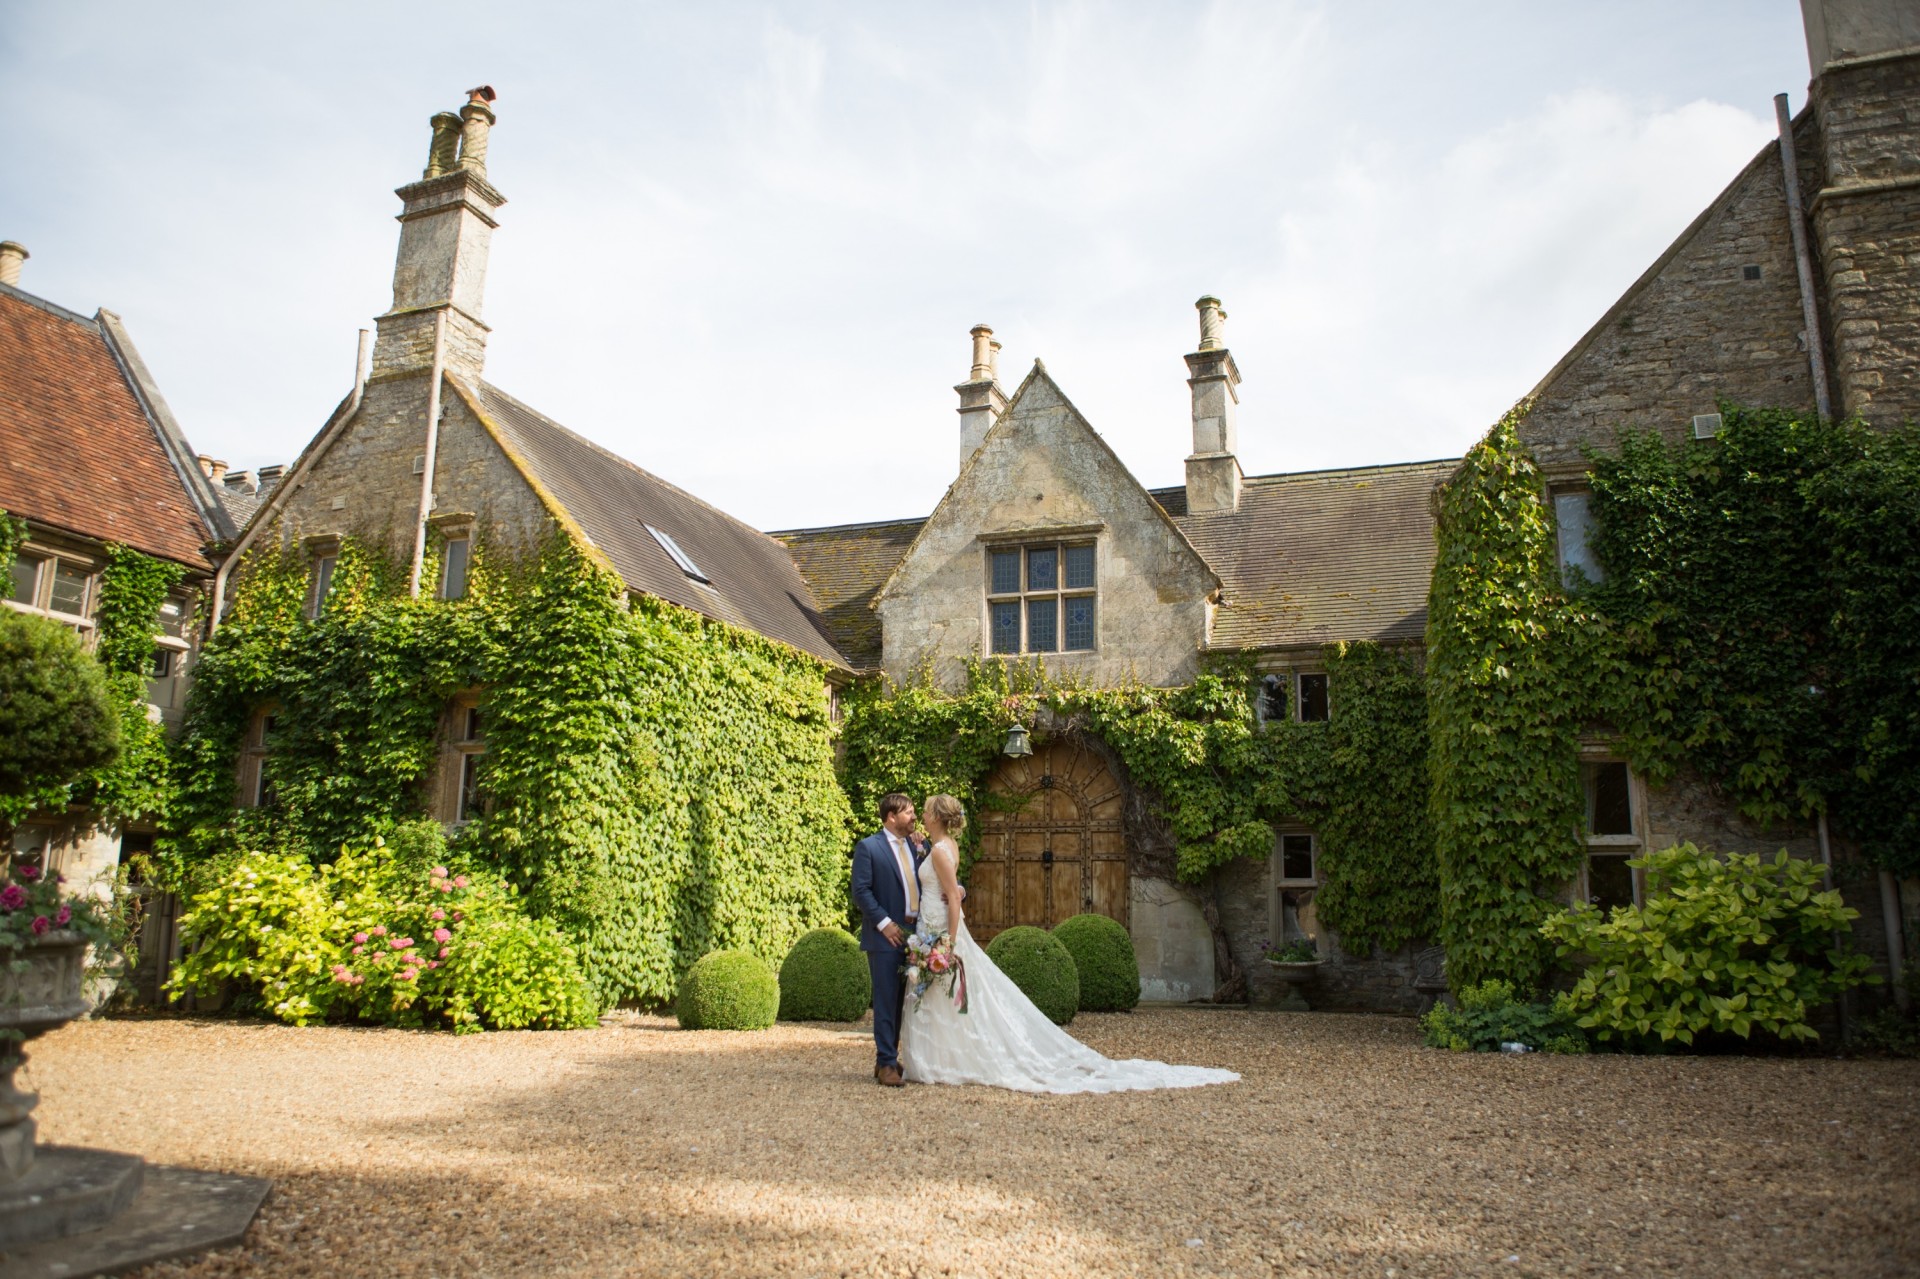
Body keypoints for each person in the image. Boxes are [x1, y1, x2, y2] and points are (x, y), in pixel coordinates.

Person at [898, 794, 1239, 1094]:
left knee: (948, 992)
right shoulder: (941, 847)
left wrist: (951, 943)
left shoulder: (942, 852)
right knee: (945, 995)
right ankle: (946, 1058)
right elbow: (950, 889)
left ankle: (948, 1061)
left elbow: (954, 900)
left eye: (926, 812)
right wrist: (920, 848)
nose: (923, 816)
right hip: (931, 923)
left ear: (937, 817)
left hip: (941, 928)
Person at [850, 793, 927, 1087]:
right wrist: (884, 924)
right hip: (885, 936)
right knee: (884, 1000)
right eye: (908, 812)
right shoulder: (869, 847)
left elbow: (935, 875)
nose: (914, 816)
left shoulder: (917, 845)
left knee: (900, 1002)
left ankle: (888, 1057)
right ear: (891, 817)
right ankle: (885, 1063)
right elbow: (861, 891)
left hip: (915, 935)